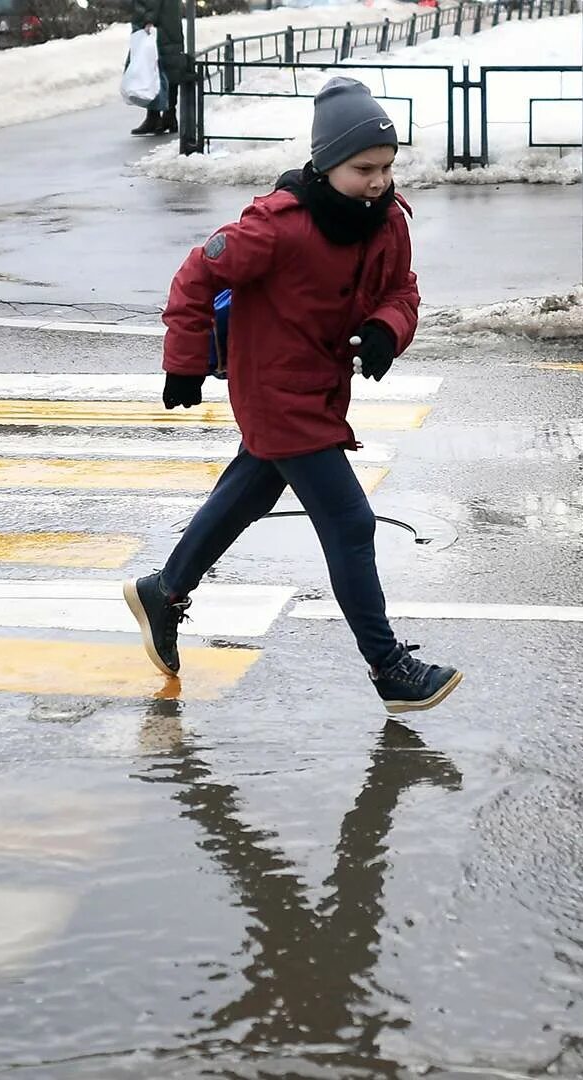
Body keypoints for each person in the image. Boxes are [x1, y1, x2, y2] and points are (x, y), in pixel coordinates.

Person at [123, 77, 463, 716]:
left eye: (387, 168)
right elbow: (197, 274)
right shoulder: (276, 228)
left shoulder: (388, 223)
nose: (379, 181)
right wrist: (185, 363)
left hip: (321, 386)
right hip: (273, 389)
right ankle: (389, 667)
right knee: (350, 521)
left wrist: (387, 332)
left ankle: (162, 592)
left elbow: (402, 292)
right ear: (328, 162)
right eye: (363, 168)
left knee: (250, 491)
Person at [130, 0, 185, 136]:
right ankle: (169, 116)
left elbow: (151, 3)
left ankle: (154, 117)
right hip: (169, 23)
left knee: (153, 69)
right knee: (168, 68)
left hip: (158, 26)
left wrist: (148, 20)